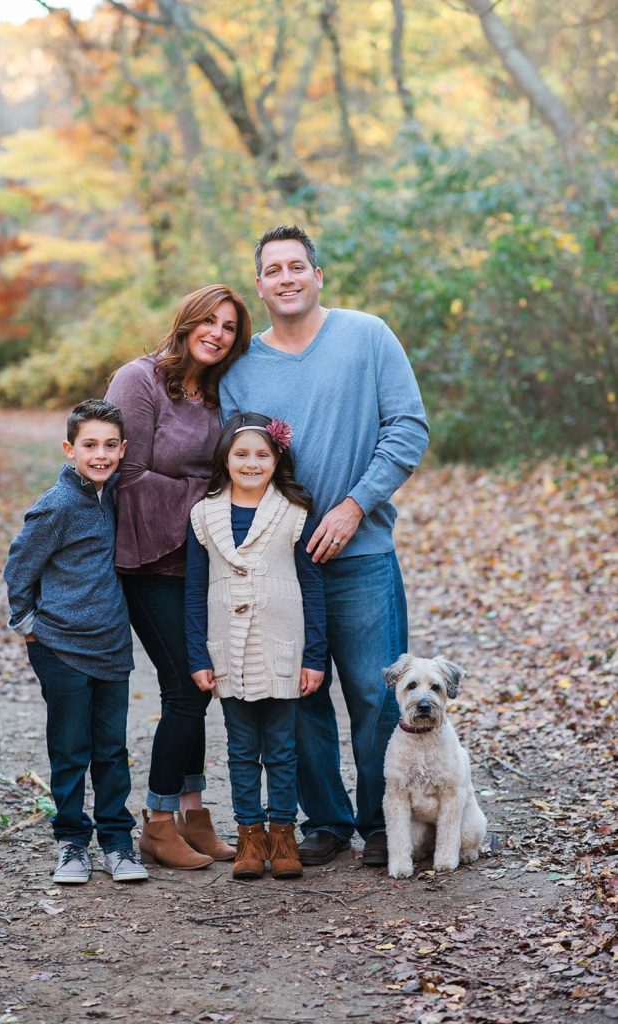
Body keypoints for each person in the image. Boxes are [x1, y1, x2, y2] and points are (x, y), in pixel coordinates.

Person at [220, 225, 430, 867]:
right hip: (280, 565)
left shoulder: (367, 335)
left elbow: (408, 428)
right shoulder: (243, 367)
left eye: (296, 266)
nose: (286, 278)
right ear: (260, 285)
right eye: (273, 270)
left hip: (362, 553)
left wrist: (352, 504)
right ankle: (326, 822)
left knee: (374, 691)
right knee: (299, 693)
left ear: (318, 276)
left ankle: (381, 822)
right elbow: (233, 461)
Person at [105, 285, 252, 870]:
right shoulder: (138, 381)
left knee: (202, 684)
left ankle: (194, 815)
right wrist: (212, 496)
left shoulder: (218, 393)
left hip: (201, 561)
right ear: (187, 320)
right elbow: (127, 474)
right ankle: (159, 822)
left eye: (230, 327)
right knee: (186, 688)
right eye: (210, 321)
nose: (218, 333)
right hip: (147, 559)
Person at [3, 399, 148, 884]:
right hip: (61, 647)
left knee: (111, 749)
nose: (100, 454)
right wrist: (27, 624)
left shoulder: (117, 496)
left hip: (111, 646)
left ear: (123, 449)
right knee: (70, 749)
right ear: (70, 449)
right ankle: (70, 842)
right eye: (90, 445)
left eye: (110, 445)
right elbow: (20, 564)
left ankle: (118, 842)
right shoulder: (58, 505)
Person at [185, 413, 327, 880]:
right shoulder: (204, 514)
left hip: (281, 644)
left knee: (283, 748)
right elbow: (193, 589)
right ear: (225, 459)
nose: (251, 462)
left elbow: (312, 585)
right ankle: (250, 835)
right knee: (242, 749)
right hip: (228, 647)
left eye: (261, 455)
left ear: (276, 458)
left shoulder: (294, 511)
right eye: (241, 454)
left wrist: (314, 656)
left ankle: (283, 834)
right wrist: (198, 655)